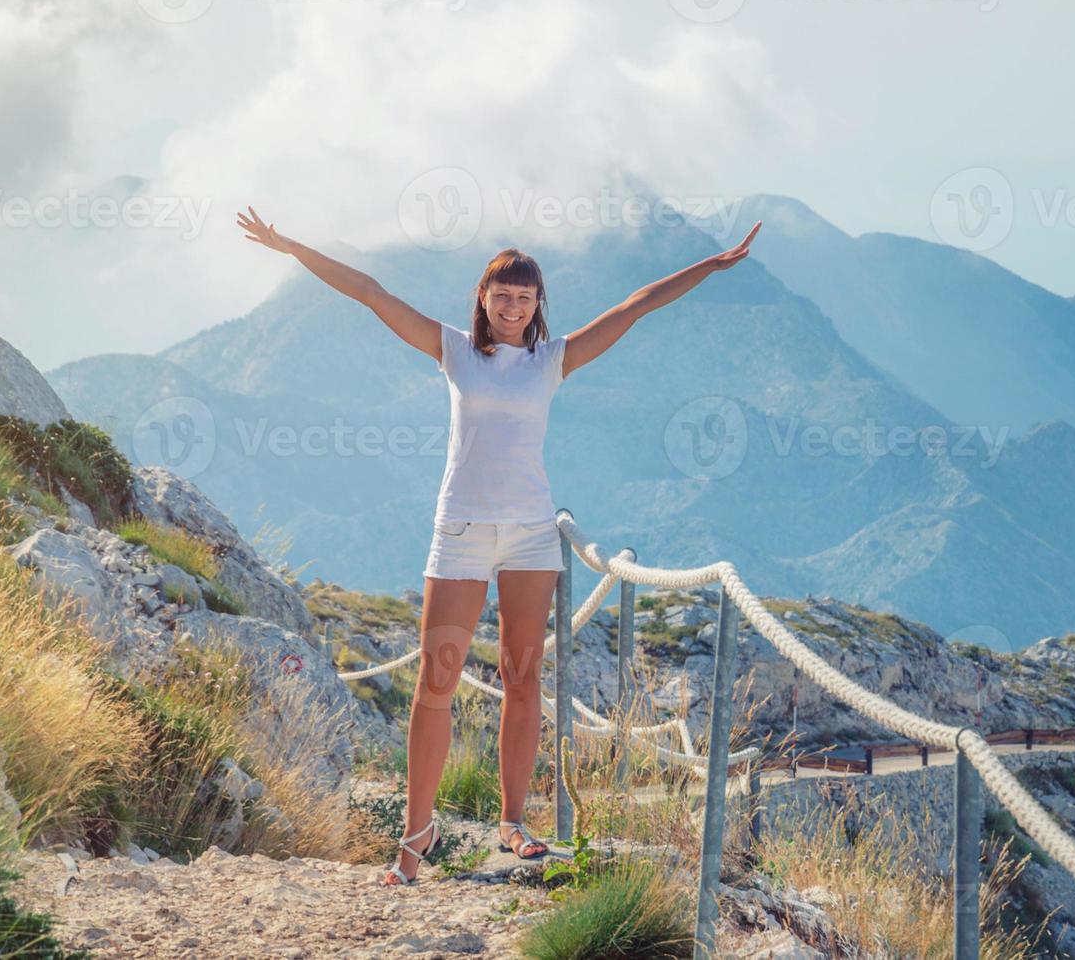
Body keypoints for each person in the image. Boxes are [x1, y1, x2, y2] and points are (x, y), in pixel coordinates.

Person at [235, 207, 761, 885]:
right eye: (502, 295)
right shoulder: (454, 349)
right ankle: (415, 835)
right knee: (437, 681)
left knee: (522, 678)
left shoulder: (554, 359)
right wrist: (288, 245)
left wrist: (711, 266)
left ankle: (513, 824)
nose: (512, 306)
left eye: (524, 297)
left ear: (538, 305)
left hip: (530, 536)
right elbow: (371, 292)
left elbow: (637, 305)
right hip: (459, 532)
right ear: (483, 299)